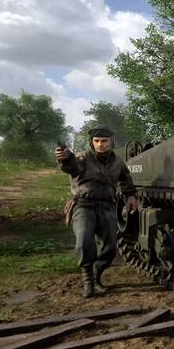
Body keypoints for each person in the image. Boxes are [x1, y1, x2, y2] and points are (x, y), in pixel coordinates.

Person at [55, 126, 138, 298]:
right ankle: (88, 281)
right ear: (92, 142)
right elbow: (74, 168)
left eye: (104, 141)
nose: (101, 144)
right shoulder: (83, 158)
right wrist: (66, 158)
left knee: (111, 247)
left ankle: (96, 274)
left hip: (107, 205)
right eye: (97, 141)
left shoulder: (118, 162)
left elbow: (125, 179)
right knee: (84, 241)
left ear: (111, 142)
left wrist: (131, 196)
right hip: (84, 205)